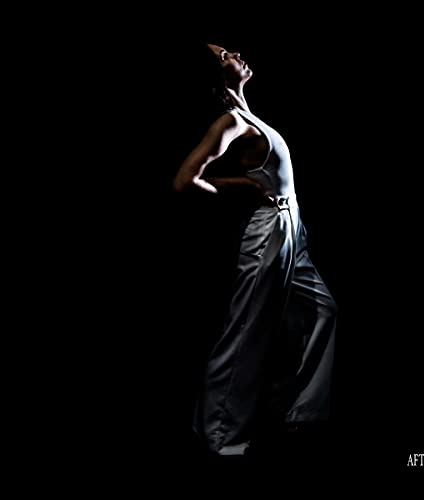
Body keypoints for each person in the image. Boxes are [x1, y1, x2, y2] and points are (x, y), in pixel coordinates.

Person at [173, 42, 337, 458]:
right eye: (223, 55)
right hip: (269, 233)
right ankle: (219, 435)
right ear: (217, 75)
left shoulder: (249, 116)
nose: (235, 54)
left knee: (322, 310)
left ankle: (300, 411)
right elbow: (185, 180)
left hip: (291, 226)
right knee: (245, 329)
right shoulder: (230, 122)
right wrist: (239, 186)